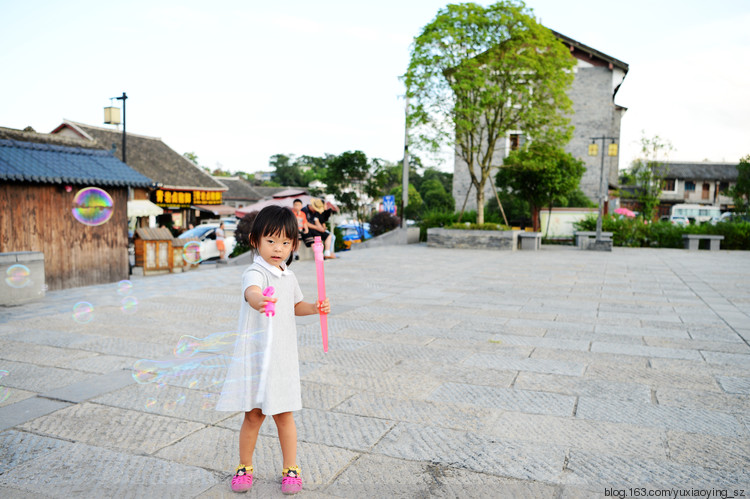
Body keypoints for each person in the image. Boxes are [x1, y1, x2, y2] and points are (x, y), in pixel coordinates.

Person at [216, 205, 330, 495]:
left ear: (293, 244)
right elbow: (251, 292)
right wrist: (258, 301)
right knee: (253, 415)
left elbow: (295, 306)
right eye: (270, 241)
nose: (278, 249)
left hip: (281, 359)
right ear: (255, 240)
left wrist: (315, 307)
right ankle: (244, 466)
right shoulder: (255, 272)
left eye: (285, 242)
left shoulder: (287, 276)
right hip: (256, 359)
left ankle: (291, 469)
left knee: (284, 415)